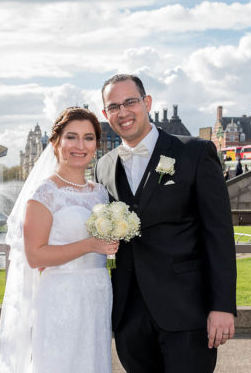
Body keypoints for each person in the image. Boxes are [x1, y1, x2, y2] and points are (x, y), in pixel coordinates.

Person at [95, 74, 237, 373]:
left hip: (187, 311)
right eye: (114, 106)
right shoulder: (104, 165)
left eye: (130, 102)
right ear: (105, 114)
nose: (123, 112)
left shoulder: (195, 152)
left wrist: (222, 306)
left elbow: (219, 234)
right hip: (129, 315)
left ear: (147, 103)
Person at [0, 107, 118, 373]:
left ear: (97, 143)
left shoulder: (100, 193)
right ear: (55, 142)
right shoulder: (45, 193)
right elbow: (35, 256)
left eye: (88, 138)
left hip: (97, 294)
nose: (80, 146)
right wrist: (90, 245)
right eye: (71, 137)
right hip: (61, 295)